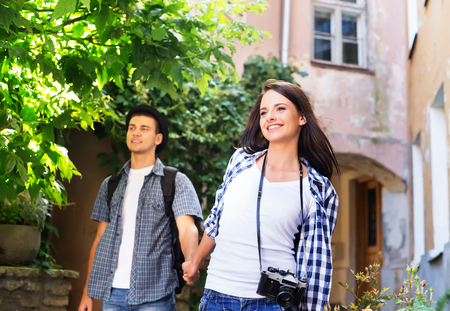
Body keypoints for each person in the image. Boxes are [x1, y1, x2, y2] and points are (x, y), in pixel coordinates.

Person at [183, 79, 340, 311]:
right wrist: (195, 262)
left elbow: (316, 263)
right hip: (218, 297)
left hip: (273, 303)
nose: (269, 117)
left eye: (281, 108)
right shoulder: (240, 161)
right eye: (264, 112)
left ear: (302, 118)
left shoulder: (318, 188)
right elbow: (217, 219)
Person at [78, 105, 203, 311]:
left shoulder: (175, 181)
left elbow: (187, 228)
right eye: (132, 128)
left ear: (158, 138)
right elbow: (100, 241)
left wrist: (190, 260)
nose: (136, 132)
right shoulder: (111, 184)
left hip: (155, 295)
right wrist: (87, 293)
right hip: (112, 294)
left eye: (144, 128)